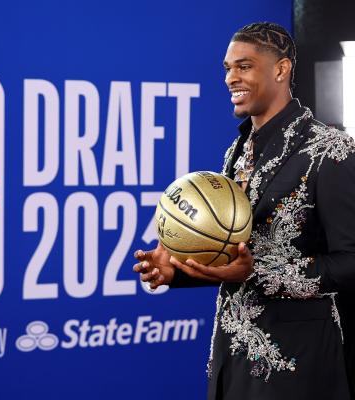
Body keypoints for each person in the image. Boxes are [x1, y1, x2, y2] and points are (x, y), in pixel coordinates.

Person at [133, 22, 355, 400]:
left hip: (297, 364)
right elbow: (232, 259)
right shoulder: (236, 153)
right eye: (227, 68)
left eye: (244, 66)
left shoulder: (331, 151)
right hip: (229, 359)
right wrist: (178, 270)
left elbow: (351, 262)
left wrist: (260, 273)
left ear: (281, 69)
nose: (230, 78)